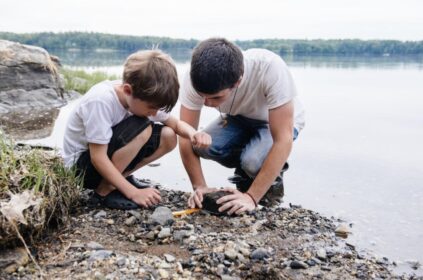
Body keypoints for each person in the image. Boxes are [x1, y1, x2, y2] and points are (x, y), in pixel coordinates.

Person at [63, 50, 211, 210]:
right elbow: (97, 158)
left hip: (107, 159)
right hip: (82, 169)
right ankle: (104, 191)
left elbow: (175, 124)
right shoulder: (101, 101)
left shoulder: (142, 96)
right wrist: (133, 193)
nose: (154, 113)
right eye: (152, 108)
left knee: (168, 135)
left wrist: (193, 134)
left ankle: (121, 178)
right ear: (127, 90)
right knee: (144, 128)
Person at [179, 38, 305, 215]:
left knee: (252, 162)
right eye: (202, 96)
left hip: (274, 122)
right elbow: (185, 136)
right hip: (238, 118)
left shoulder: (270, 67)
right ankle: (247, 167)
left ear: (237, 82)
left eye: (215, 98)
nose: (206, 103)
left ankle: (267, 173)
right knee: (200, 146)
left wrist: (252, 198)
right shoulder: (194, 78)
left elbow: (283, 138)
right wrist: (199, 187)